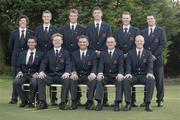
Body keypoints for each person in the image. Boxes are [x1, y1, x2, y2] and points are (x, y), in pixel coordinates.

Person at [86, 6, 112, 106]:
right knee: (92, 76)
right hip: (92, 55)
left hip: (104, 54)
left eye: (98, 13)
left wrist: (101, 51)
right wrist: (94, 51)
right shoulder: (88, 27)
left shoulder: (107, 26)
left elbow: (109, 40)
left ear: (101, 14)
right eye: (95, 13)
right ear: (93, 15)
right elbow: (87, 41)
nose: (97, 14)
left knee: (102, 76)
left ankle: (104, 100)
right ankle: (90, 100)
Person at [37, 33, 71, 110]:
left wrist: (67, 72)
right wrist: (41, 71)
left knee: (67, 79)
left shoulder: (66, 53)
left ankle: (63, 102)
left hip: (61, 76)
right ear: (52, 42)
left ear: (62, 41)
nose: (57, 41)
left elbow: (69, 64)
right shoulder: (48, 53)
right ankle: (42, 102)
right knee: (40, 78)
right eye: (55, 40)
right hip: (51, 76)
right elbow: (44, 63)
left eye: (59, 40)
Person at [60, 9, 86, 105]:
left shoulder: (82, 29)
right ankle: (65, 99)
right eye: (71, 16)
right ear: (69, 17)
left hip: (78, 56)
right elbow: (61, 43)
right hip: (65, 57)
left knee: (76, 76)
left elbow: (84, 42)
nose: (73, 17)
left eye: (74, 16)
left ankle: (77, 99)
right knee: (67, 78)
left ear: (77, 16)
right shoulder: (63, 29)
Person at [114, 11, 140, 107]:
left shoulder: (136, 31)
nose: (125, 19)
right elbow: (115, 45)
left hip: (132, 59)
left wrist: (129, 54)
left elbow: (137, 44)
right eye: (124, 18)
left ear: (130, 19)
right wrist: (121, 54)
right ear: (122, 19)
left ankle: (132, 101)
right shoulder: (117, 31)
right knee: (120, 79)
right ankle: (118, 100)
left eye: (127, 18)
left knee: (130, 78)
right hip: (120, 59)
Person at [123, 35, 155, 112]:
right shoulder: (130, 53)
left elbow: (150, 65)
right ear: (135, 42)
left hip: (144, 75)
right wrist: (128, 73)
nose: (139, 42)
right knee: (126, 80)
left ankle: (147, 103)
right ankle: (128, 103)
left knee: (151, 80)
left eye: (141, 41)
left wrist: (150, 73)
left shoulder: (148, 53)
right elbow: (128, 65)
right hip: (134, 75)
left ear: (143, 42)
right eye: (138, 41)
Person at [141, 13, 166, 107]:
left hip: (157, 61)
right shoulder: (143, 32)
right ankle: (145, 100)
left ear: (155, 20)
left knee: (159, 81)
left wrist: (154, 56)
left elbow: (162, 45)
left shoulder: (160, 31)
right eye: (148, 19)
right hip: (146, 62)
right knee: (147, 80)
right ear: (147, 20)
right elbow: (141, 45)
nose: (150, 20)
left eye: (151, 18)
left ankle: (160, 100)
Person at [35, 10, 59, 105]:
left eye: (48, 16)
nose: (46, 18)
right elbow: (35, 43)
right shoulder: (37, 29)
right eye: (44, 16)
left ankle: (53, 98)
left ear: (50, 17)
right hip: (40, 57)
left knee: (52, 74)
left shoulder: (55, 29)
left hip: (52, 56)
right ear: (42, 18)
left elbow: (57, 42)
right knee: (40, 76)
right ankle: (39, 98)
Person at [8, 15, 34, 104]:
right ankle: (14, 98)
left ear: (27, 22)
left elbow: (32, 45)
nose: (23, 22)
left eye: (24, 21)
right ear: (18, 22)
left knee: (26, 78)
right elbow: (10, 46)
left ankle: (25, 98)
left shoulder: (31, 33)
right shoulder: (13, 33)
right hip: (16, 60)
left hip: (27, 60)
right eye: (21, 21)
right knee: (16, 79)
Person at [13, 36, 44, 108]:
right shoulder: (22, 53)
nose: (31, 44)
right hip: (24, 74)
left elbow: (43, 66)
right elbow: (18, 66)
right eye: (29, 42)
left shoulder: (41, 54)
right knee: (16, 82)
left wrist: (38, 73)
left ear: (35, 43)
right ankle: (24, 100)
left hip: (34, 75)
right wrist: (19, 72)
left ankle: (31, 101)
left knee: (34, 83)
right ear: (27, 43)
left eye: (32, 42)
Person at [95, 37, 124, 111]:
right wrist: (100, 73)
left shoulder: (120, 53)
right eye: (108, 42)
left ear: (115, 43)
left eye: (111, 42)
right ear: (106, 44)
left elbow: (121, 65)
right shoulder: (103, 53)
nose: (110, 44)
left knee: (120, 81)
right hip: (106, 75)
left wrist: (120, 73)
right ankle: (99, 103)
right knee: (99, 80)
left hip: (116, 76)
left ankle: (117, 103)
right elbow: (101, 64)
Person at [70, 35, 97, 110]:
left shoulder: (93, 54)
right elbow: (72, 65)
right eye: (80, 42)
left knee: (93, 80)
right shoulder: (74, 54)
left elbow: (95, 65)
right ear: (78, 43)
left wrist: (92, 73)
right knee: (72, 79)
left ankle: (89, 101)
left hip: (87, 76)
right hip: (77, 75)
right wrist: (74, 72)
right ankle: (74, 101)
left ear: (88, 43)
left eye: (84, 42)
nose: (82, 43)